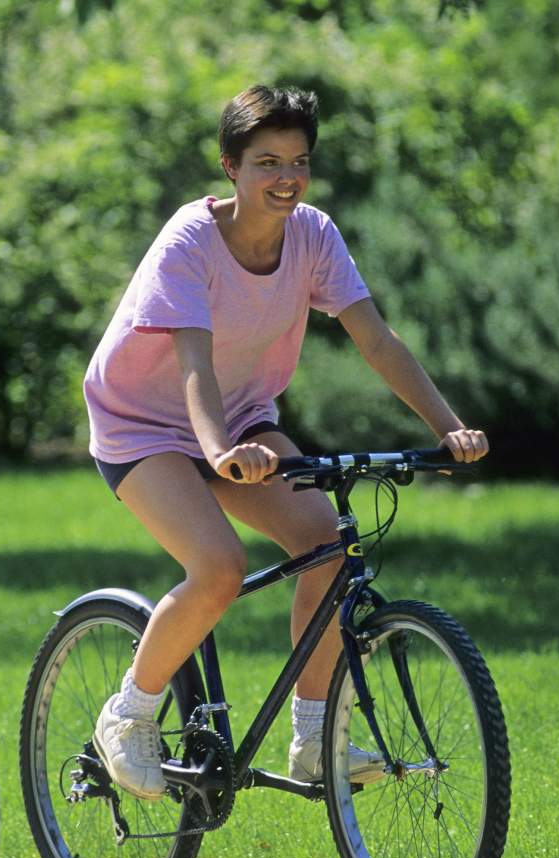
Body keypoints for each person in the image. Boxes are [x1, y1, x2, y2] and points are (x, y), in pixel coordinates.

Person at [83, 85, 488, 801]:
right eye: (266, 161)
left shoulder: (314, 235)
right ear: (229, 166)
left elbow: (377, 339)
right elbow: (194, 367)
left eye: (299, 161)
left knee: (327, 545)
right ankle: (128, 713)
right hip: (143, 425)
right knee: (219, 566)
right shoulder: (189, 241)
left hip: (239, 420)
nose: (286, 178)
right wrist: (217, 454)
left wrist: (445, 425)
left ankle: (312, 738)